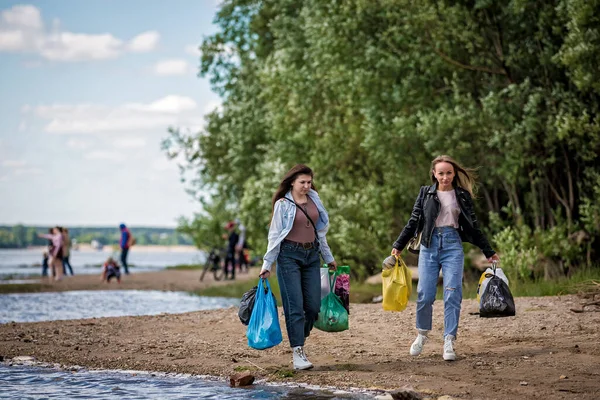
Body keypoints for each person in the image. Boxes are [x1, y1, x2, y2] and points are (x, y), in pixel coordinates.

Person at [391, 155, 500, 361]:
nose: (445, 177)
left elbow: (474, 226)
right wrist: (398, 245)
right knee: (425, 293)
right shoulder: (426, 193)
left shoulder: (462, 195)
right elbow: (413, 221)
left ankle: (449, 340)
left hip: (452, 245)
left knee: (452, 293)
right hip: (429, 246)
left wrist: (488, 251)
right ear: (434, 173)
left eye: (449, 173)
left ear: (454, 173)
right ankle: (422, 334)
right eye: (441, 173)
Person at [259, 164, 337, 370]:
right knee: (295, 307)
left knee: (312, 307)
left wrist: (328, 257)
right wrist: (267, 264)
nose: (306, 185)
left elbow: (321, 233)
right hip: (288, 257)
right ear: (292, 182)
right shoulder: (283, 204)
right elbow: (274, 235)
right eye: (302, 182)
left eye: (309, 182)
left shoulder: (314, 199)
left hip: (312, 255)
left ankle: (298, 337)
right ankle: (298, 351)